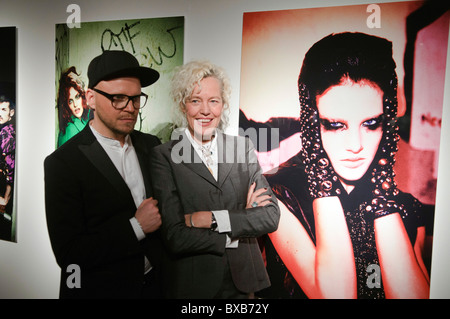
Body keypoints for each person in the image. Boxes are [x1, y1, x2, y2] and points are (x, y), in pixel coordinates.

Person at [264, 32, 430, 299]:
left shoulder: (407, 207)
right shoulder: (275, 193)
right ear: (312, 122)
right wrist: (319, 166)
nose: (356, 145)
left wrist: (382, 183)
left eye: (371, 123)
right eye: (336, 125)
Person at [150, 60, 280, 299]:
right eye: (195, 100)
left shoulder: (242, 148)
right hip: (193, 287)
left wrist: (209, 219)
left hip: (244, 285)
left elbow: (270, 216)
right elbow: (175, 236)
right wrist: (241, 225)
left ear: (223, 104)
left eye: (214, 101)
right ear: (183, 104)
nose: (205, 110)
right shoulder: (164, 156)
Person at [45, 50, 163, 299]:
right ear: (91, 98)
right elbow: (69, 255)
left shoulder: (151, 145)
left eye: (136, 98)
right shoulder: (63, 163)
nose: (131, 108)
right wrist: (137, 227)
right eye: (118, 98)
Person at [56, 66, 93, 147]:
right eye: (70, 101)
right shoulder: (69, 130)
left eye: (77, 97)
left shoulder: (84, 119)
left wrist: (80, 82)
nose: (75, 104)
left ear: (82, 96)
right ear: (66, 105)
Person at [0, 87, 16, 241]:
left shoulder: (7, 135)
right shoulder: (3, 130)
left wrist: (5, 198)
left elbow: (10, 171)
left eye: (3, 109)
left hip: (3, 189)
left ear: (11, 113)